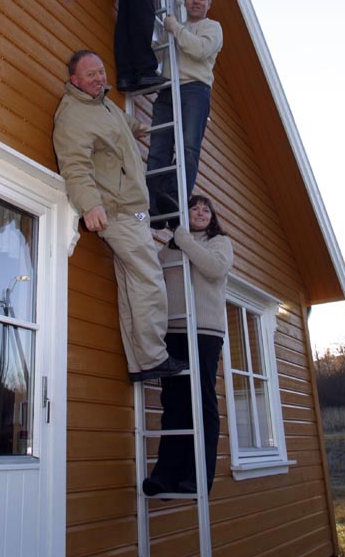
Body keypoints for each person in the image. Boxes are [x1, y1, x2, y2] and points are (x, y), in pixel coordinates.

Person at [52, 50, 188, 382]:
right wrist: (90, 205)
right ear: (75, 81)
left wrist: (137, 127)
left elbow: (118, 125)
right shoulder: (73, 116)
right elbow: (75, 168)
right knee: (149, 280)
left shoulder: (103, 104)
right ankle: (154, 357)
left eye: (101, 72)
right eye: (91, 75)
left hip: (130, 208)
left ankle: (143, 362)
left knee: (134, 283)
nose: (99, 78)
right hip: (118, 210)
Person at [142, 195, 233, 497]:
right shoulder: (171, 246)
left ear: (212, 216)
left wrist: (181, 236)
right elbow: (155, 277)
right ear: (186, 213)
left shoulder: (218, 242)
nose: (201, 212)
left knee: (202, 401)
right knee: (174, 404)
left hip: (205, 332)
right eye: (195, 207)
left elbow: (214, 269)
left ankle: (199, 476)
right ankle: (166, 476)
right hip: (174, 331)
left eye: (207, 208)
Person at [146, 0, 223, 226]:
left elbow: (199, 50)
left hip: (194, 90)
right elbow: (157, 53)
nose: (196, 1)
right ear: (186, 0)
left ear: (208, 4)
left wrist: (175, 29)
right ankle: (155, 207)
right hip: (169, 89)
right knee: (158, 147)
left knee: (188, 148)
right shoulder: (175, 30)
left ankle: (175, 199)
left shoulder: (211, 27)